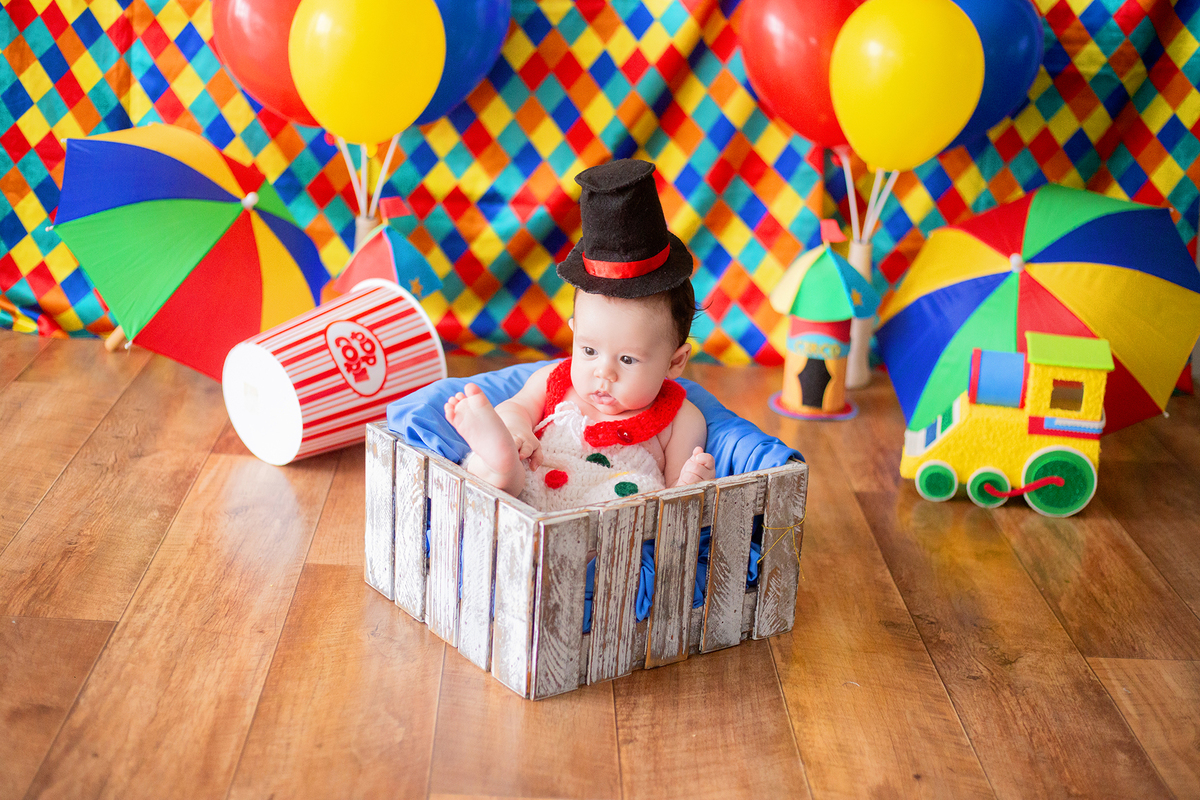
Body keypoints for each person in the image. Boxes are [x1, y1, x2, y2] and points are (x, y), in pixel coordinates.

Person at [444, 158, 717, 511]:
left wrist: (691, 483)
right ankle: (500, 461)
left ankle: (505, 469)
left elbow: (673, 498)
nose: (604, 372)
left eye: (628, 359)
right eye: (588, 351)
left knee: (632, 495)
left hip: (604, 516)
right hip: (531, 485)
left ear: (675, 362)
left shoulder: (680, 419)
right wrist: (517, 431)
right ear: (574, 336)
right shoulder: (554, 382)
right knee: (500, 471)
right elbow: (517, 407)